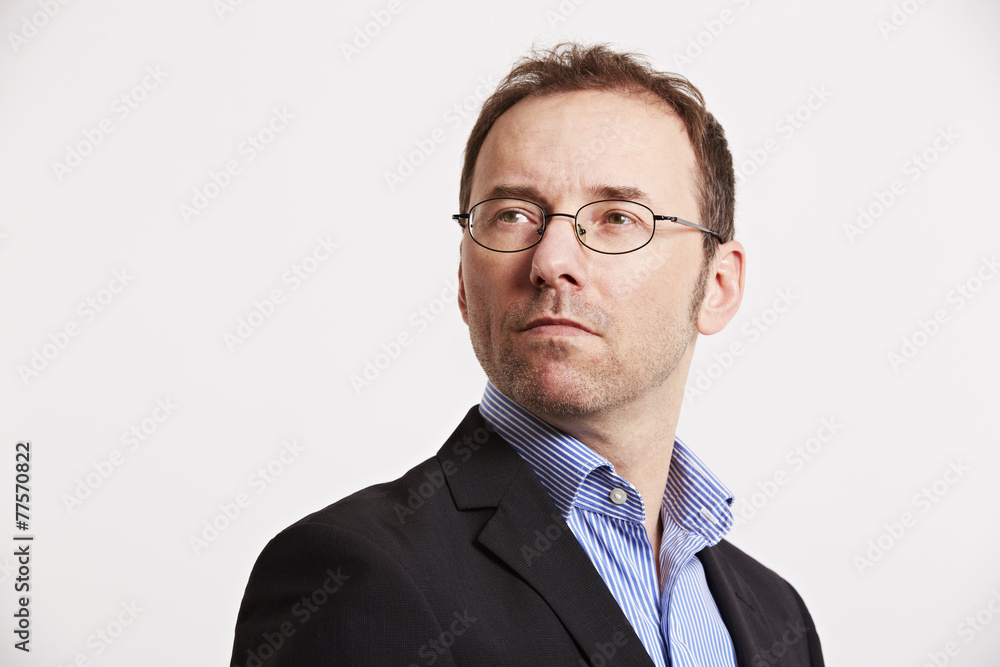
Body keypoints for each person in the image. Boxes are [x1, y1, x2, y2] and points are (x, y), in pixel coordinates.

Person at [231, 42, 824, 666]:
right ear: (464, 281)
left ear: (718, 286)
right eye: (512, 215)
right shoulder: (355, 573)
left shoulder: (778, 617)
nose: (551, 261)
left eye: (619, 217)